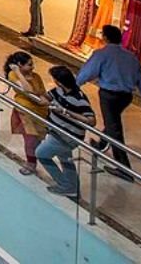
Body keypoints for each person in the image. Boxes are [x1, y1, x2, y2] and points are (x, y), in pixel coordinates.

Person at [75, 23, 141, 179]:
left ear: (105, 37)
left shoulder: (101, 54)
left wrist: (74, 86)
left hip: (108, 96)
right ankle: (102, 144)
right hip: (126, 97)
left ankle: (124, 169)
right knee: (113, 121)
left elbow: (88, 72)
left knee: (115, 129)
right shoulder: (131, 57)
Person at [37, 64, 96, 198]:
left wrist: (65, 112)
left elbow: (91, 121)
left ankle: (65, 185)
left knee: (41, 154)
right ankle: (72, 187)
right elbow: (46, 97)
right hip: (56, 131)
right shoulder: (58, 90)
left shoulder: (79, 98)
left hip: (67, 136)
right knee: (65, 158)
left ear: (59, 81)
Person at [4, 50, 49, 176]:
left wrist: (45, 101)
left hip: (40, 111)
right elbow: (27, 89)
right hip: (25, 112)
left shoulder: (36, 76)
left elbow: (43, 93)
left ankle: (35, 160)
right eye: (29, 64)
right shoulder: (13, 75)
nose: (32, 67)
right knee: (30, 140)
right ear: (19, 64)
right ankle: (31, 164)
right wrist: (18, 72)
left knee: (38, 140)